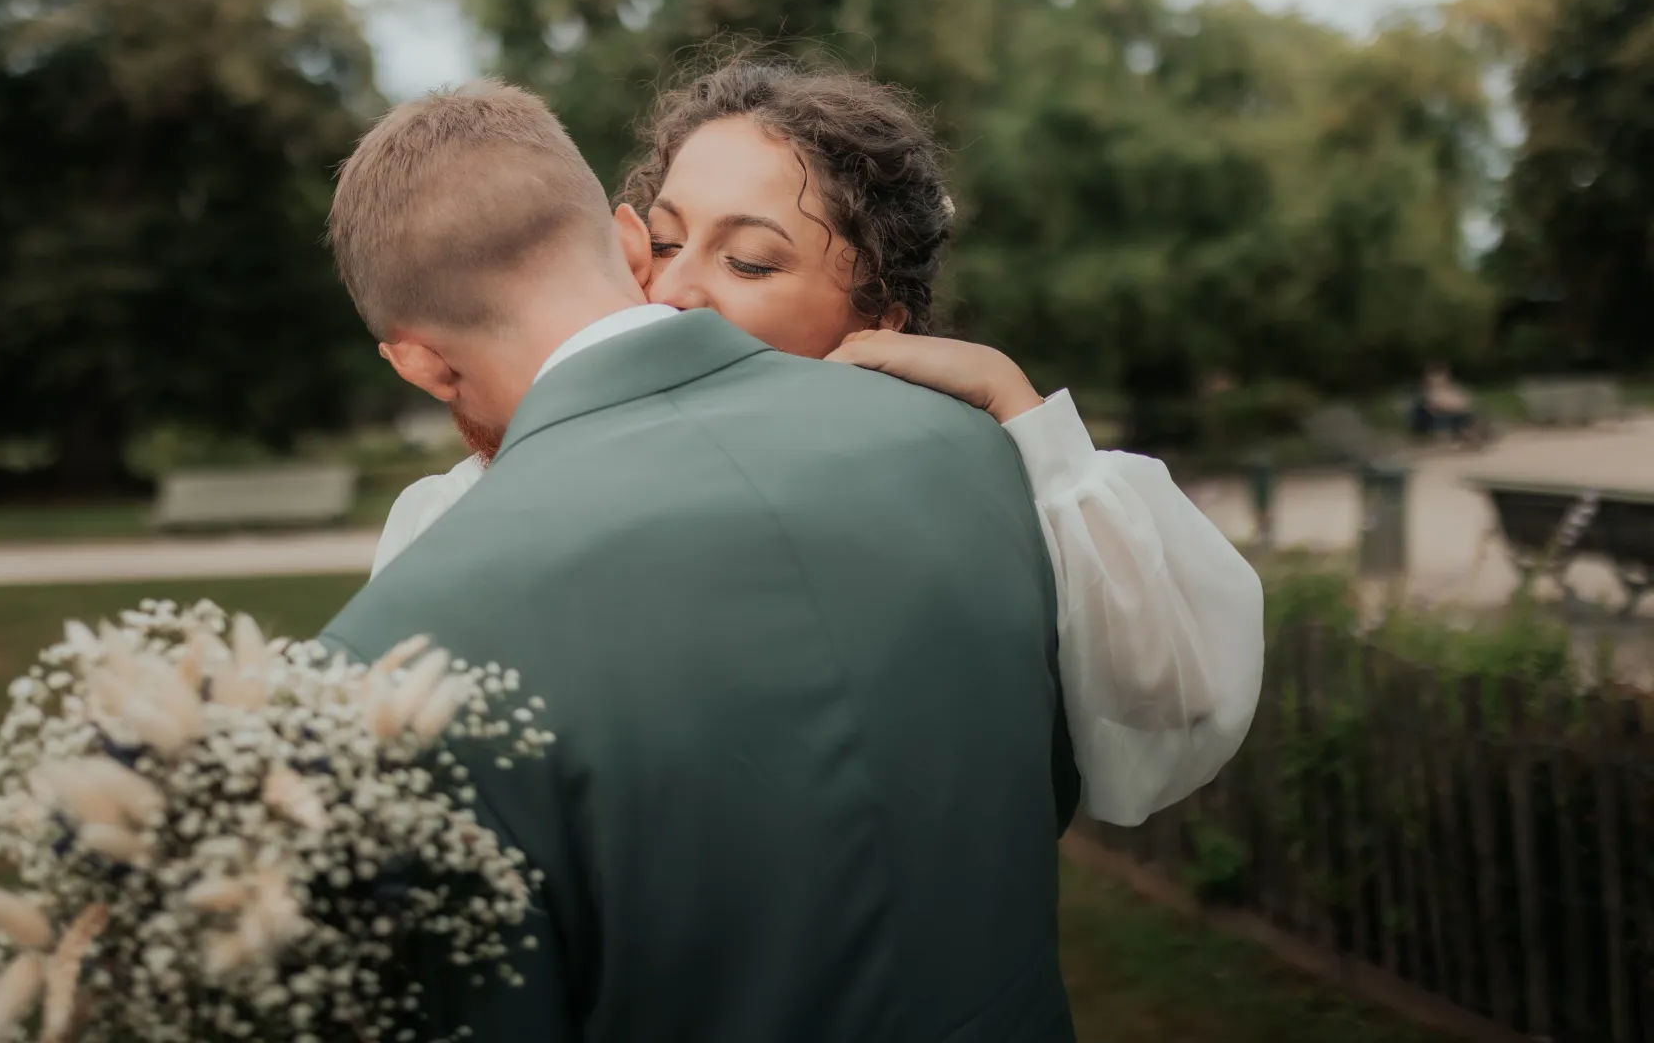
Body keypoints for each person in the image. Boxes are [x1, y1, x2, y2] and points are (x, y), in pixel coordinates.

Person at [320, 80, 1077, 1042]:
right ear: (634, 242)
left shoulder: (392, 650)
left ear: (419, 363)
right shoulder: (979, 450)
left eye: (753, 258)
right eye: (678, 245)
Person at [367, 59, 1264, 828]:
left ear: (879, 319)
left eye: (749, 262)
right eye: (664, 242)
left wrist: (1023, 414)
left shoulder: (992, 500)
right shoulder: (469, 510)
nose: (675, 290)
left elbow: (1170, 698)